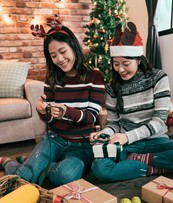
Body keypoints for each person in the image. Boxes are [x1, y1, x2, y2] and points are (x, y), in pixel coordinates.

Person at [0, 17, 105, 186]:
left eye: (63, 52)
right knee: (23, 179)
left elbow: (91, 117)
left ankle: (33, 163)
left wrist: (66, 111)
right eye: (53, 55)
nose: (60, 59)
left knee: (65, 176)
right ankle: (8, 162)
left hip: (83, 145)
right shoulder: (52, 77)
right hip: (54, 139)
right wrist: (43, 111)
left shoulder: (95, 77)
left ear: (73, 47)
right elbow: (49, 120)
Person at [90, 21, 173, 183]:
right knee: (100, 169)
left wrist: (128, 136)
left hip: (156, 140)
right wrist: (105, 133)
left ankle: (140, 161)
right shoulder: (112, 87)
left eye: (126, 64)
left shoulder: (158, 78)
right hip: (127, 146)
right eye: (116, 64)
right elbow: (113, 124)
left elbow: (159, 120)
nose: (120, 69)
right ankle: (156, 167)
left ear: (139, 60)